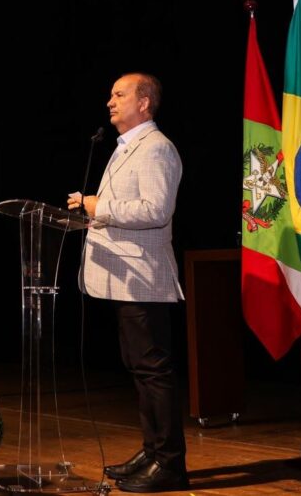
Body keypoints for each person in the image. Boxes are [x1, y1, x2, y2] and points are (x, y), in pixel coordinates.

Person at [67, 72, 187, 492]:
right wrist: (88, 211)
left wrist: (99, 206)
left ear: (145, 102)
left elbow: (156, 210)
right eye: (111, 94)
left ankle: (170, 463)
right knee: (141, 371)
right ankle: (152, 452)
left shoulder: (156, 148)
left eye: (120, 94)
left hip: (143, 279)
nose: (110, 101)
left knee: (154, 372)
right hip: (124, 280)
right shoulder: (125, 148)